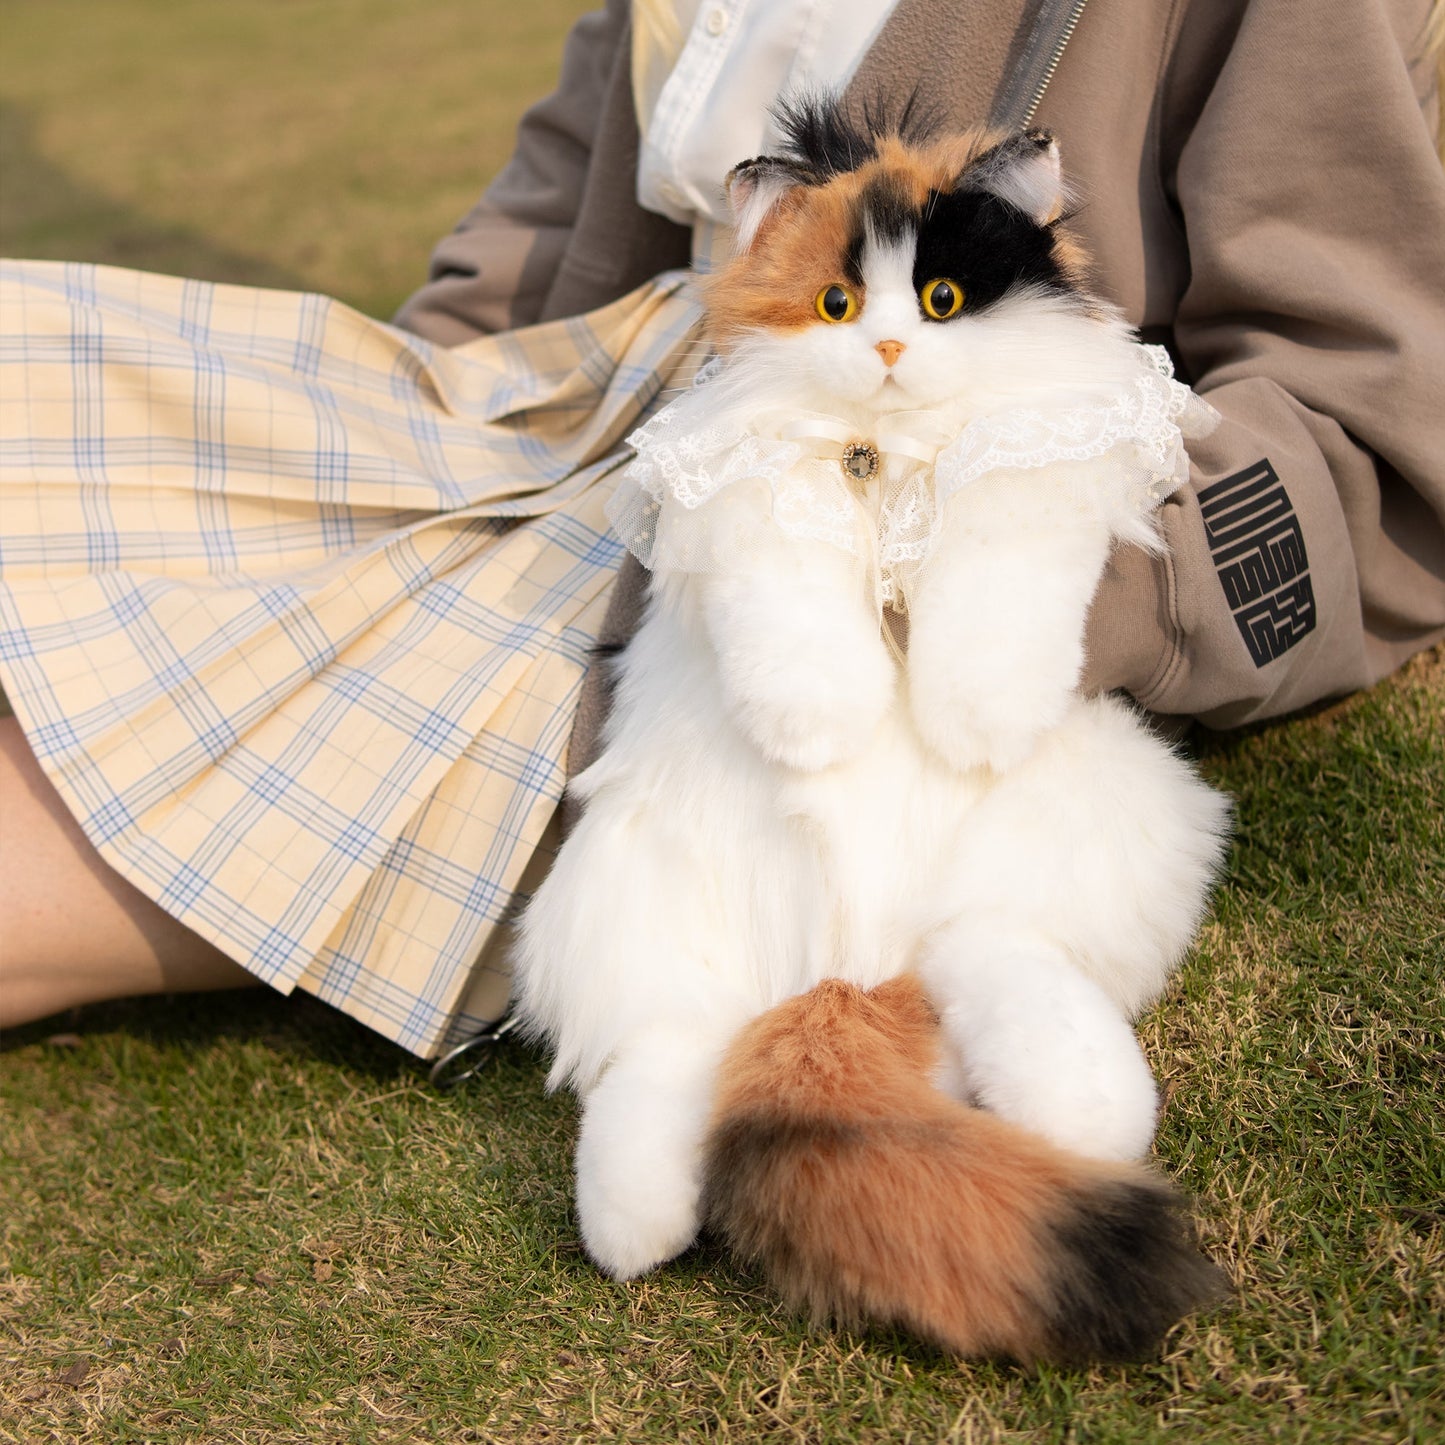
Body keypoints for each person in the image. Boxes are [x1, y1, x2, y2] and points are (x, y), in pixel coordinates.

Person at [2, 0, 1443, 1052]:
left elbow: (1356, 427)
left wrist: (980, 593)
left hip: (804, 541)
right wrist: (375, 455)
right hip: (560, 421)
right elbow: (547, 226)